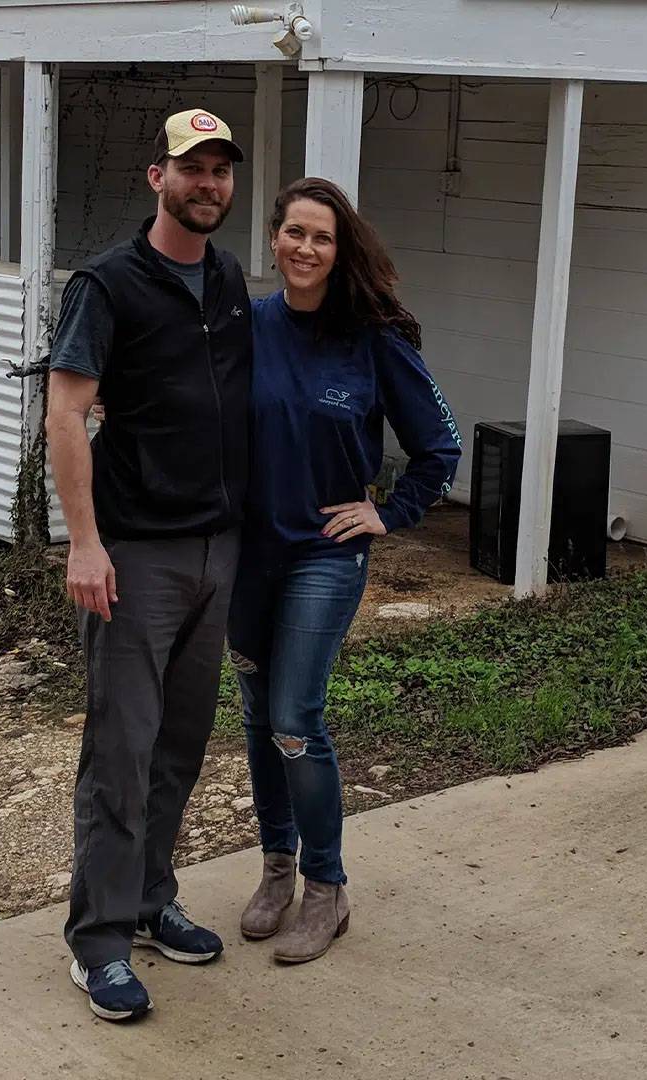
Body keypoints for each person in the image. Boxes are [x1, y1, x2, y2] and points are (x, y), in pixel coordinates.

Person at [45, 108, 252, 1022]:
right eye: (192, 167)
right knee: (121, 754)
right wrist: (85, 542)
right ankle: (97, 943)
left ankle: (148, 898)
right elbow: (66, 412)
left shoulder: (231, 278)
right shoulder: (109, 284)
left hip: (218, 549)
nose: (208, 184)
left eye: (221, 170)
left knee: (179, 745)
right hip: (136, 557)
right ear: (154, 177)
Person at [228, 177, 463, 964]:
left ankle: (326, 888)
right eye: (294, 232)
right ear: (274, 239)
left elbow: (440, 446)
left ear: (340, 249)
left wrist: (387, 513)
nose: (305, 248)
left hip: (324, 554)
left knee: (295, 718)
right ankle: (274, 868)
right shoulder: (247, 326)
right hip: (247, 556)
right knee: (258, 712)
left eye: (322, 237)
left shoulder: (372, 338)